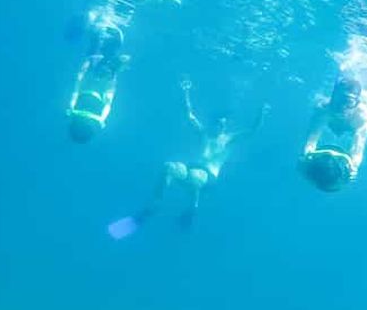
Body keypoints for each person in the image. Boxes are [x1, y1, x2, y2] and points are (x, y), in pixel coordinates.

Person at [107, 80, 267, 240]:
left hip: (209, 177)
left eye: (223, 125)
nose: (220, 127)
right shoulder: (204, 132)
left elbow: (252, 130)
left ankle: (192, 210)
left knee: (195, 177)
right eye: (218, 123)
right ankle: (155, 205)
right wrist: (186, 92)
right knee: (169, 166)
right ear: (213, 124)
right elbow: (189, 115)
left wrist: (261, 113)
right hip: (192, 169)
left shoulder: (229, 139)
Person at [299, 76, 367, 191]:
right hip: (332, 121)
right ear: (332, 97)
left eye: (348, 102)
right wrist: (306, 155)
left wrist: (354, 166)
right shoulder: (323, 109)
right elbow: (312, 138)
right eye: (339, 100)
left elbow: (358, 146)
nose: (342, 107)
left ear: (357, 103)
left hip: (349, 125)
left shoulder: (363, 117)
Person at [66, 23, 129, 143]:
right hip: (98, 78)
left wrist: (112, 79)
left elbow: (108, 98)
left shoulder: (96, 115)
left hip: (98, 78)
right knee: (104, 59)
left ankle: (104, 33)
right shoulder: (77, 109)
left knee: (102, 58)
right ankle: (105, 34)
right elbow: (77, 89)